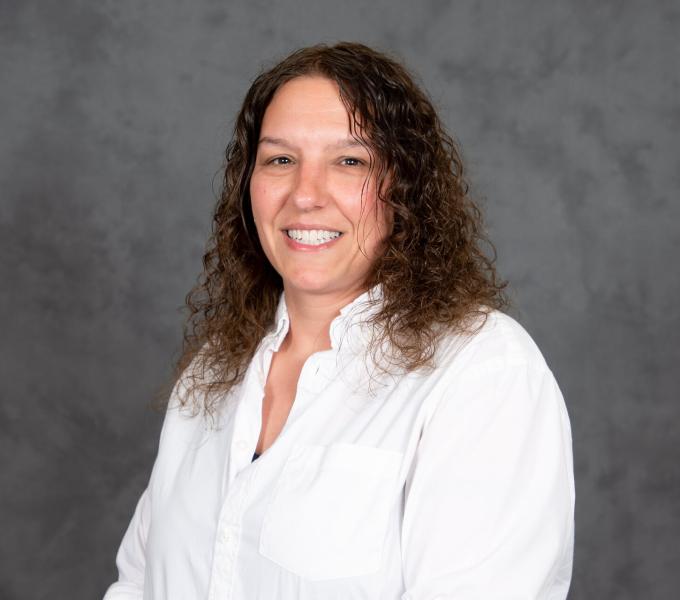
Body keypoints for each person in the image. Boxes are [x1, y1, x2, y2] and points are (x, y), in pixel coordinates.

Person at [104, 42, 574, 599]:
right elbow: (138, 583)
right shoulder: (214, 372)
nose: (305, 195)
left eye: (350, 162)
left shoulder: (483, 373)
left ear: (406, 187)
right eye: (280, 159)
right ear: (246, 185)